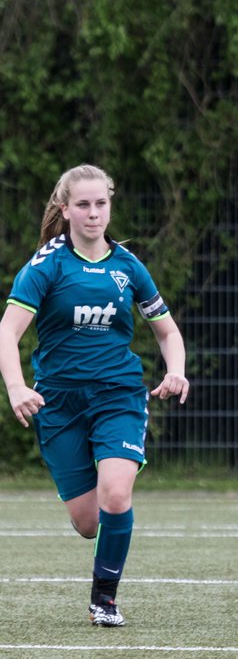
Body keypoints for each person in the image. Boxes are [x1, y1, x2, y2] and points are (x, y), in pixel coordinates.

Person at [1, 164, 189, 626]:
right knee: (88, 522)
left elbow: (166, 331)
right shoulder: (46, 266)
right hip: (59, 403)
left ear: (110, 205)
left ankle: (104, 599)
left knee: (117, 494)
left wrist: (177, 370)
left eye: (101, 204)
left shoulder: (127, 266)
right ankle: (96, 530)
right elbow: (8, 332)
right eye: (82, 205)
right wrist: (17, 386)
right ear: (64, 209)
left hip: (118, 394)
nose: (93, 214)